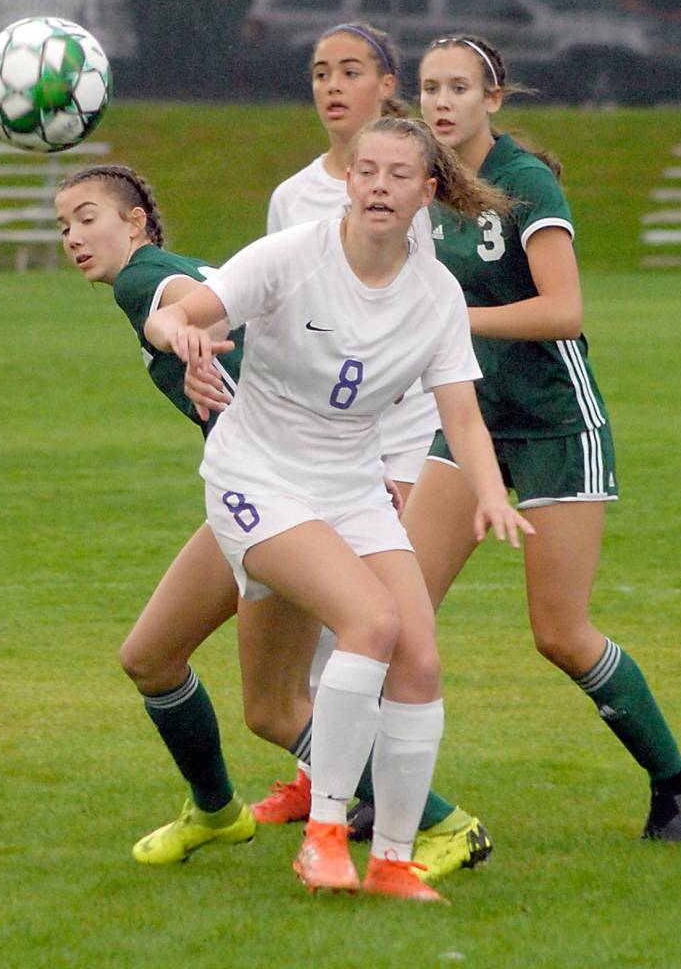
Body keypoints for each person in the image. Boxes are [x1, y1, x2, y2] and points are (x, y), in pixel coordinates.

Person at [54, 164, 485, 884]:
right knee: (158, 660)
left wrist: (180, 340)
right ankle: (216, 812)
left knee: (279, 704)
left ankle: (444, 824)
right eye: (62, 225)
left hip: (279, 494)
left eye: (87, 216)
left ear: (135, 224)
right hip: (267, 486)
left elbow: (179, 307)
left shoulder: (144, 277)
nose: (73, 236)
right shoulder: (176, 272)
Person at [145, 116, 534, 902]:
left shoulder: (435, 294)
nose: (379, 187)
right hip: (256, 477)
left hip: (351, 488)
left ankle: (392, 861)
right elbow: (177, 313)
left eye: (398, 175)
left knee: (418, 657)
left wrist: (490, 492)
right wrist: (178, 339)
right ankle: (324, 837)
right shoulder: (296, 255)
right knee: (372, 624)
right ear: (349, 182)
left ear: (428, 192)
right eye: (367, 172)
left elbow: (460, 415)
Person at [392, 34, 681, 843]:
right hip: (469, 426)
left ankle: (674, 782)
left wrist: (450, 321)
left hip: (556, 426)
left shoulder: (524, 184)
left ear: (493, 100)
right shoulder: (423, 187)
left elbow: (564, 309)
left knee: (559, 633)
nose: (442, 101)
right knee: (394, 617)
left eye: (459, 87)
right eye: (430, 87)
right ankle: (387, 798)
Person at [255, 21, 493, 880]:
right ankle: (322, 780)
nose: (332, 86)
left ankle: (376, 820)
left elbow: (407, 343)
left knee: (369, 629)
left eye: (351, 70)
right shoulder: (292, 200)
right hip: (283, 455)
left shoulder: (408, 206)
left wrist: (399, 466)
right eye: (319, 71)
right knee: (332, 628)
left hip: (375, 452)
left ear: (386, 84)